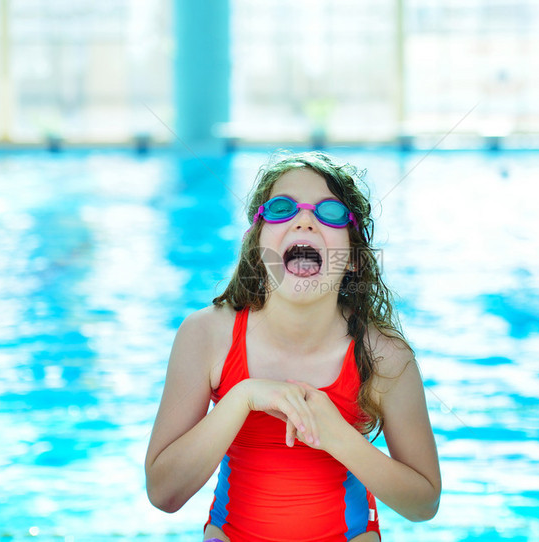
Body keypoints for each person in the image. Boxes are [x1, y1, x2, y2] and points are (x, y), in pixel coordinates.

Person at [145, 151, 440, 542]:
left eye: (330, 213)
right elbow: (163, 493)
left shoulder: (383, 356)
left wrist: (336, 435)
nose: (304, 219)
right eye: (282, 208)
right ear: (257, 246)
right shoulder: (206, 336)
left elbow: (423, 504)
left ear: (352, 258)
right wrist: (242, 398)